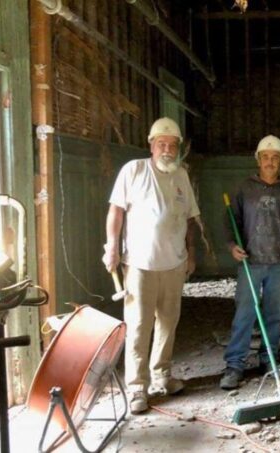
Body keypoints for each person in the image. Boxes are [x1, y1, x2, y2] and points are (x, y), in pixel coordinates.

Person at [103, 117, 200, 414]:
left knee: (168, 324)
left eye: (172, 145)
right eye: (162, 144)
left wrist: (191, 253)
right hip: (140, 264)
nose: (167, 150)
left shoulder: (181, 175)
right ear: (152, 145)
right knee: (139, 326)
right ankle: (137, 388)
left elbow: (189, 219)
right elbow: (116, 212)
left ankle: (163, 376)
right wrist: (112, 248)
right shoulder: (134, 170)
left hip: (174, 264)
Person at [220, 135, 280, 390]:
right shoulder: (243, 189)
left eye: (275, 158)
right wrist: (231, 246)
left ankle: (268, 359)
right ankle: (235, 365)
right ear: (258, 160)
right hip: (251, 262)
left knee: (273, 315)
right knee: (244, 314)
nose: (270, 162)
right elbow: (230, 221)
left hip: (279, 262)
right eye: (265, 157)